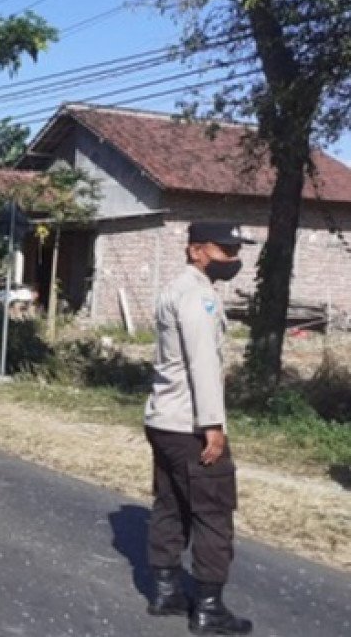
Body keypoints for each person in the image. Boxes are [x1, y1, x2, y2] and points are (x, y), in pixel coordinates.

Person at [144, 222, 254, 635]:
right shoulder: (198, 297)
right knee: (212, 514)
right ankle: (209, 608)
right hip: (190, 423)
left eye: (234, 249)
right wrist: (212, 425)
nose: (233, 258)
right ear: (196, 251)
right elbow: (202, 363)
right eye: (224, 249)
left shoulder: (174, 289)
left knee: (170, 504)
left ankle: (166, 590)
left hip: (162, 418)